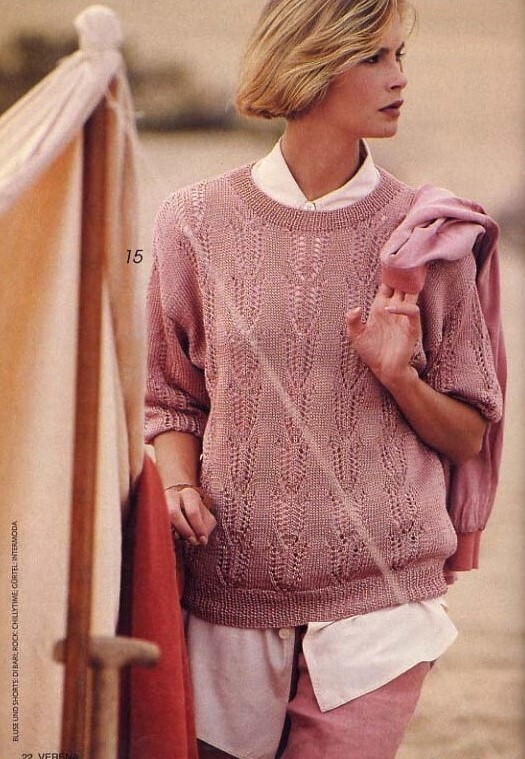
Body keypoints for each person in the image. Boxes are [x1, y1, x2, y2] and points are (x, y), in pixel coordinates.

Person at [145, 1, 504, 757]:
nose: (399, 78)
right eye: (374, 57)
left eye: (400, 56)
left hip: (383, 595)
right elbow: (170, 398)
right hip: (229, 588)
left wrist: (399, 376)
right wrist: (178, 484)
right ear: (309, 65)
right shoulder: (193, 222)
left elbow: (469, 432)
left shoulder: (425, 234)